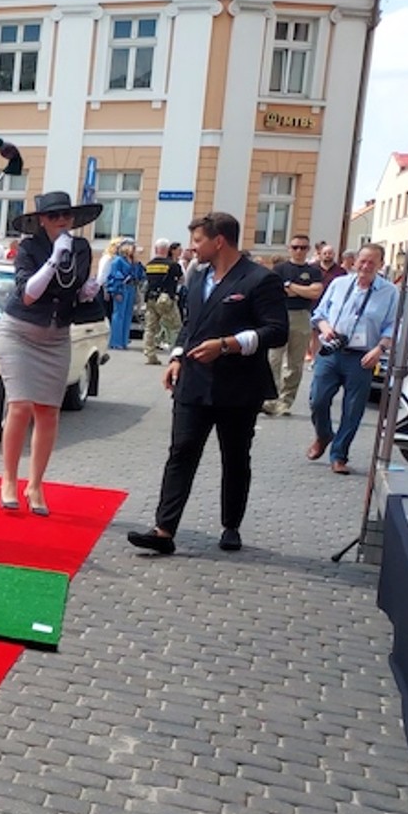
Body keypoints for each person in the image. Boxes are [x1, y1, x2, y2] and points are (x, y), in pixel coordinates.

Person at [128, 210, 288, 556]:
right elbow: (191, 325)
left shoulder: (260, 279)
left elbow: (277, 331)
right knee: (181, 452)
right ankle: (164, 529)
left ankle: (231, 525)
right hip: (194, 382)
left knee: (235, 457)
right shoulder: (197, 276)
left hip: (239, 387)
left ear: (219, 241)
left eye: (198, 240)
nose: (192, 247)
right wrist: (175, 357)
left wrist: (229, 344)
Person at [0, 191, 103, 516]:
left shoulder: (82, 248)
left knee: (48, 411)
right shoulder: (30, 247)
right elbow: (28, 295)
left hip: (56, 336)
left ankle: (36, 483)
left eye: (66, 216)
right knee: (20, 406)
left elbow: (76, 288)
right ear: (41, 220)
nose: (61, 222)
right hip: (19, 332)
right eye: (54, 216)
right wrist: (55, 257)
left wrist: (86, 292)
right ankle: (9, 479)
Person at [306, 241, 397, 475]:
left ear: (381, 265)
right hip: (331, 350)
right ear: (355, 261)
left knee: (353, 409)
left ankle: (339, 455)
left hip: (362, 357)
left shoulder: (390, 292)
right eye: (362, 261)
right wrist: (325, 328)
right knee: (317, 399)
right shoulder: (339, 284)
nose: (365, 266)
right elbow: (319, 314)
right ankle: (324, 434)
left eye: (371, 262)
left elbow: (393, 327)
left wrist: (379, 350)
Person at [263, 233, 325, 416]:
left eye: (303, 247)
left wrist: (292, 287)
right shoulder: (279, 269)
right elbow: (275, 291)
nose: (299, 251)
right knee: (273, 359)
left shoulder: (313, 270)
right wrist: (300, 290)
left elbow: (315, 292)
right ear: (289, 248)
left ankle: (285, 402)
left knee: (295, 363)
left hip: (302, 316)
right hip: (279, 315)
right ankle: (269, 399)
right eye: (295, 247)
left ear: (308, 250)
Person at [140, 239, 184, 366]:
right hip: (165, 299)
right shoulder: (172, 264)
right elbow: (181, 279)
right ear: (167, 249)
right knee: (175, 327)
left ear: (155, 249)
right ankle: (176, 355)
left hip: (151, 299)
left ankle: (150, 355)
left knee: (150, 328)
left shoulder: (149, 264)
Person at [103, 238, 140, 350]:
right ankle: (115, 342)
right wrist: (116, 291)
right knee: (119, 315)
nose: (134, 248)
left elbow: (139, 274)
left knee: (128, 315)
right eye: (132, 246)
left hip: (131, 287)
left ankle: (124, 341)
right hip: (122, 288)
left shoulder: (133, 261)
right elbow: (114, 276)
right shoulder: (117, 261)